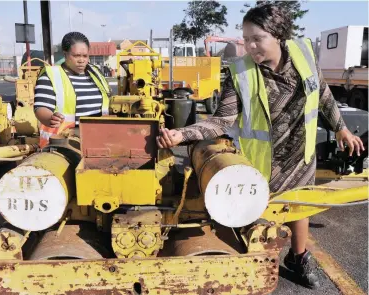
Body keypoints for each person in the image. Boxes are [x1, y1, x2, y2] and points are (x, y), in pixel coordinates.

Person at [156, 3, 364, 289]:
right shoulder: (240, 73)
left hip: (300, 153)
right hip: (263, 159)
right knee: (256, 215)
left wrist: (340, 128)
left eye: (258, 38)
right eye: (246, 39)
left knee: (300, 207)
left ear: (278, 35)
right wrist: (182, 134)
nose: (250, 46)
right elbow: (221, 121)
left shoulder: (304, 55)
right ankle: (250, 267)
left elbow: (323, 93)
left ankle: (298, 258)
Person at [34, 32, 111, 147]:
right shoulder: (52, 75)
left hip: (98, 140)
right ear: (65, 54)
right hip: (64, 143)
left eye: (85, 56)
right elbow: (41, 107)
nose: (81, 60)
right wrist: (50, 118)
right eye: (76, 56)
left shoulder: (96, 73)